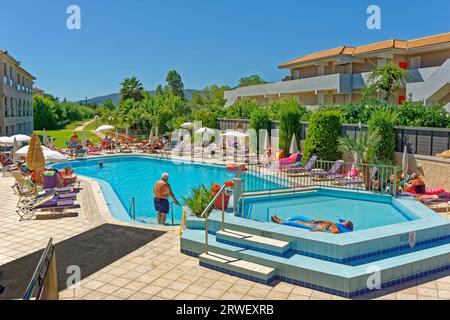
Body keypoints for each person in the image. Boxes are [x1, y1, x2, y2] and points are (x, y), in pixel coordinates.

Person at [271, 215, 354, 234]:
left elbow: (329, 232)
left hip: (316, 227)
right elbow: (329, 222)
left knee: (297, 222)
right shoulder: (336, 225)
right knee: (298, 218)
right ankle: (280, 220)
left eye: (344, 222)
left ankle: (279, 221)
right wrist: (320, 220)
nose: (342, 222)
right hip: (318, 223)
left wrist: (318, 230)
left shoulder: (337, 229)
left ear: (345, 225)